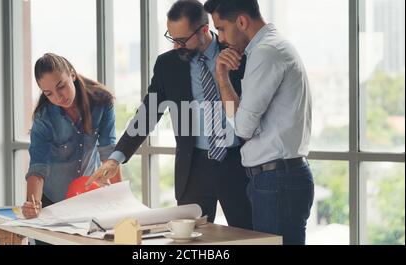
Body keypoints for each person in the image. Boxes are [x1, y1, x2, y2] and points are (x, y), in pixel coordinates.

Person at [87, 0, 252, 230]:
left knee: (249, 236)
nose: (176, 46)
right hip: (194, 167)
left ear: (204, 30)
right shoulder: (168, 65)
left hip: (239, 163)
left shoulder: (238, 54)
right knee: (189, 241)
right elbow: (147, 113)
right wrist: (117, 157)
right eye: (172, 38)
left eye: (182, 40)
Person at [204, 0, 315, 244]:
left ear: (242, 21)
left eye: (221, 28)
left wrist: (221, 76)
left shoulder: (267, 52)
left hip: (277, 181)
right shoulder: (269, 48)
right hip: (275, 179)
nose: (220, 38)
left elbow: (243, 127)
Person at [21, 53, 121, 220]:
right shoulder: (44, 118)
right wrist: (33, 205)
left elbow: (109, 155)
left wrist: (119, 201)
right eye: (49, 93)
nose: (58, 97)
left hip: (89, 199)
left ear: (72, 74)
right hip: (52, 203)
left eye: (61, 86)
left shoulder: (102, 102)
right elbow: (37, 167)